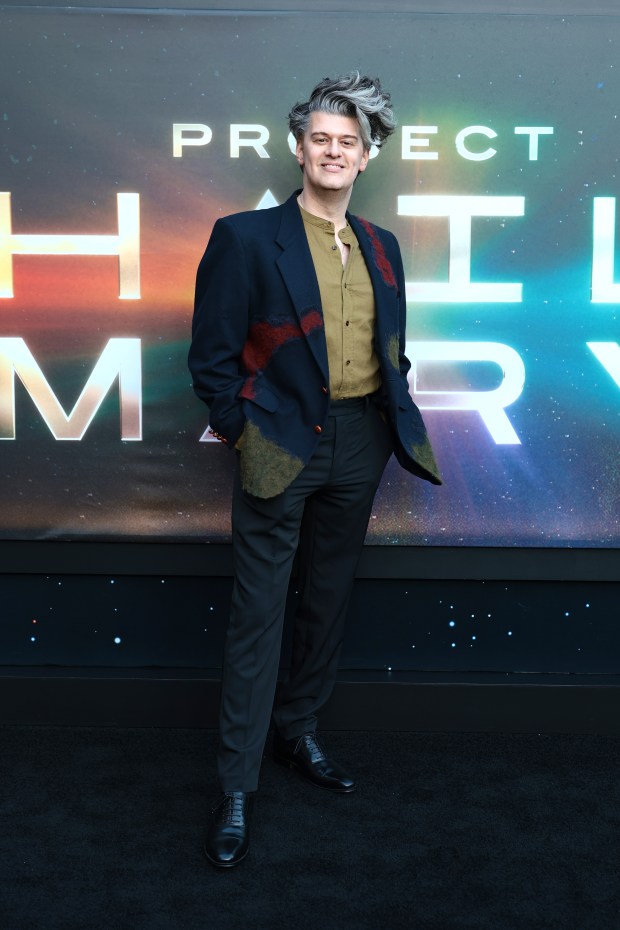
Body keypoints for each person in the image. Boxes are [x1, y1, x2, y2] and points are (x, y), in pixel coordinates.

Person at [188, 72, 441, 868]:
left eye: (349, 143)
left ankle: (297, 734)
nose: (334, 152)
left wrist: (389, 408)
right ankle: (236, 786)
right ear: (299, 149)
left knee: (326, 604)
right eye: (321, 139)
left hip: (361, 442)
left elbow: (388, 346)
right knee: (259, 616)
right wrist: (245, 436)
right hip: (281, 447)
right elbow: (211, 361)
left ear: (367, 158)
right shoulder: (243, 236)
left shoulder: (381, 245)